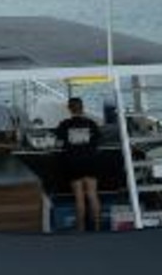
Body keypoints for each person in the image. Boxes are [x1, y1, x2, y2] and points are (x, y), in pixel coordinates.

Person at [56, 97, 102, 231]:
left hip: (74, 163)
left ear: (69, 109)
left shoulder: (64, 125)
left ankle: (80, 229)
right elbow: (98, 141)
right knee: (92, 195)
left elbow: (58, 143)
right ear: (83, 108)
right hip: (90, 161)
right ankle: (98, 227)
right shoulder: (91, 124)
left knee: (79, 197)